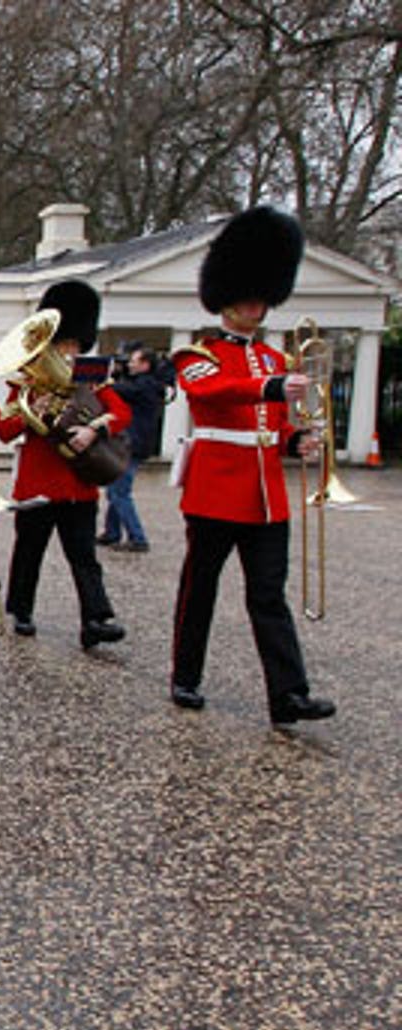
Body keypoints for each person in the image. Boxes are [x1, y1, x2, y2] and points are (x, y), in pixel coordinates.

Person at [169, 205, 334, 725]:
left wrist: (297, 441)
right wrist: (270, 387)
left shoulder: (274, 360)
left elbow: (276, 424)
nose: (255, 306)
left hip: (266, 499)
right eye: (247, 297)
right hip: (215, 492)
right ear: (225, 299)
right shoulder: (199, 356)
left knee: (268, 597)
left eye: (262, 297)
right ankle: (185, 676)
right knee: (200, 590)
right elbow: (212, 392)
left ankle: (289, 695)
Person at [0, 281, 130, 650]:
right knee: (29, 552)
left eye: (74, 346)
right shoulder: (28, 383)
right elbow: (4, 431)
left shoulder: (93, 380)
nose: (68, 353)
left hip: (79, 483)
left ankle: (96, 618)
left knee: (84, 557)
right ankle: (21, 609)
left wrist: (94, 429)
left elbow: (121, 413)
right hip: (38, 484)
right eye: (62, 346)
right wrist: (32, 408)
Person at [98, 343, 167, 553]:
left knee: (119, 492)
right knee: (115, 490)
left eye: (133, 361)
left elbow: (120, 390)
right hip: (135, 442)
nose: (129, 364)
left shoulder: (144, 385)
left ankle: (138, 538)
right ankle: (112, 533)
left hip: (131, 443)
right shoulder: (148, 383)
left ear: (145, 365)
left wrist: (104, 378)